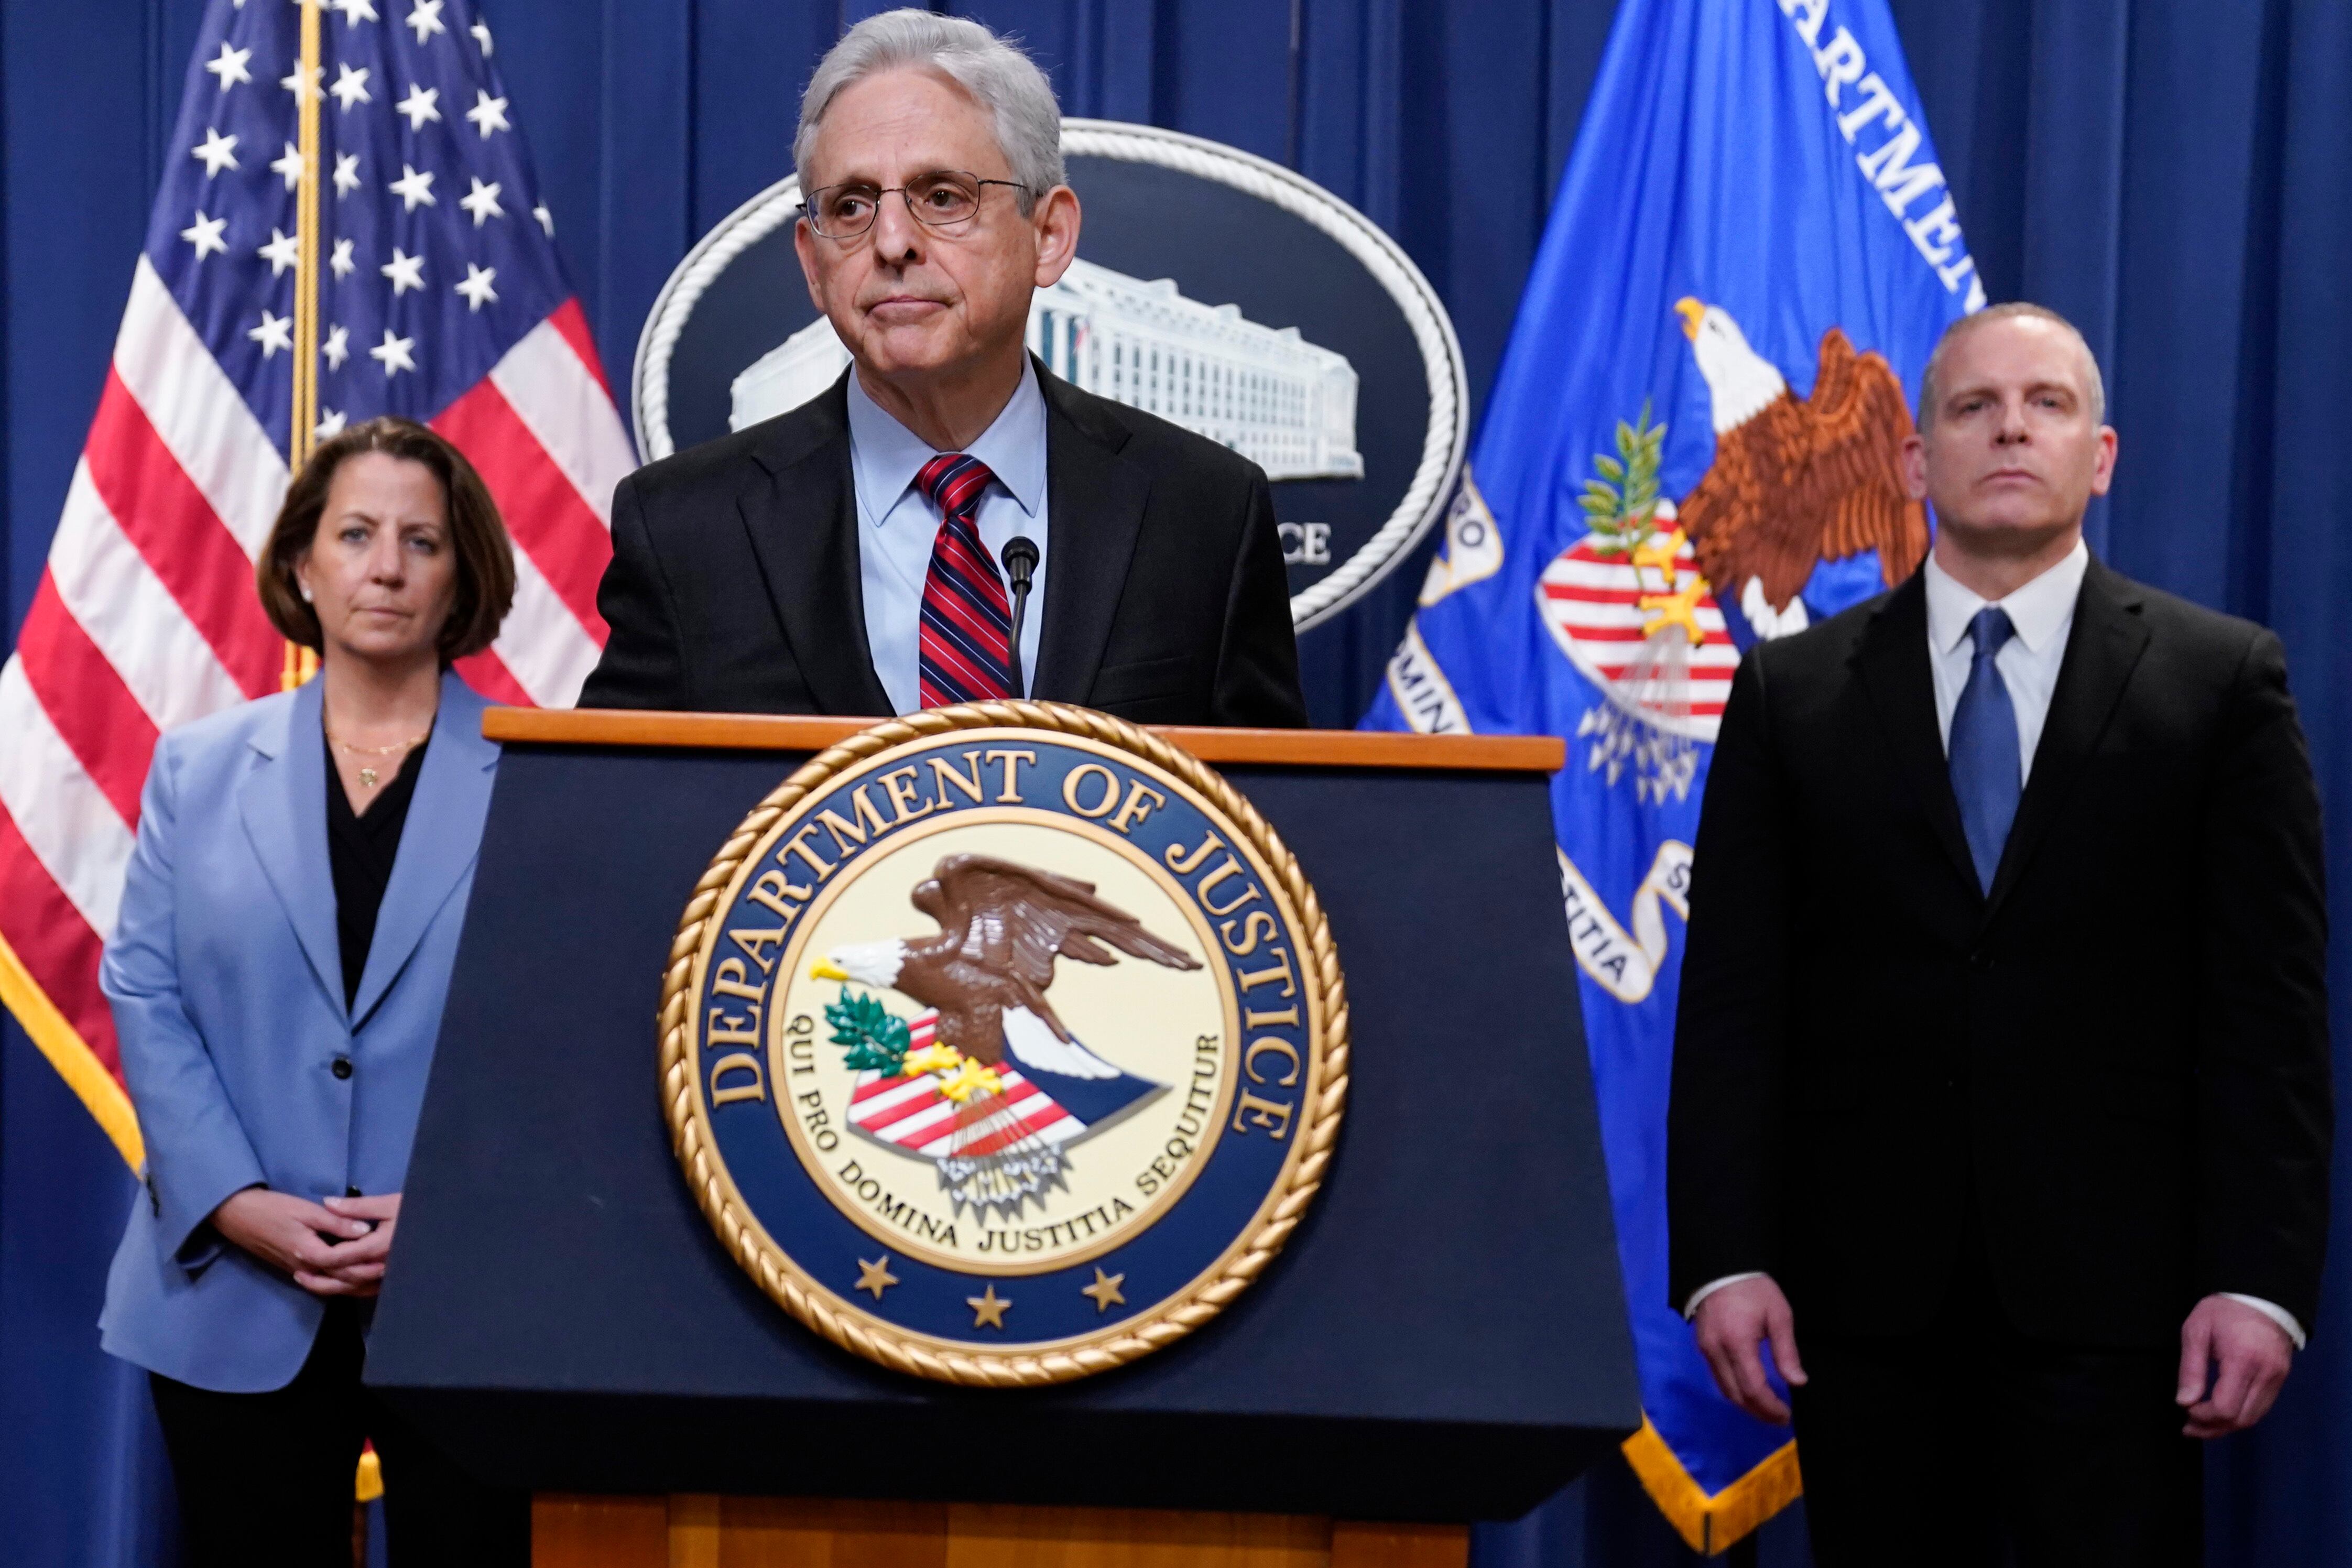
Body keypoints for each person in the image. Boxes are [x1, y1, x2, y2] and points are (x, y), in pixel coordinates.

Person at [1667, 304, 2329, 1565]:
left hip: (2126, 1312)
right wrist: (1724, 1259)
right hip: (1859, 1308)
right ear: (1915, 462)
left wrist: (2259, 1278)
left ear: (2104, 453)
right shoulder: (1790, 693)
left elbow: (2271, 1017)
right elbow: (1734, 1005)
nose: (2011, 427)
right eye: (1974, 407)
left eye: (2047, 403)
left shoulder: (2220, 680)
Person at [580, 10, 1307, 726]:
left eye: (942, 197)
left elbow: (1264, 830)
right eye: (853, 205)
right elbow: (617, 826)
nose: (892, 241)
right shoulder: (687, 530)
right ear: (812, 260)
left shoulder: (1204, 514)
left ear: (1048, 234)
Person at [97, 418, 528, 1565]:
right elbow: (144, 986)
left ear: (461, 577)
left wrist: (450, 1208)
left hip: (469, 1297)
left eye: (421, 541)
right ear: (301, 563)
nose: (386, 566)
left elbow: (556, 1031)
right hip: (234, 1291)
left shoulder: (543, 773)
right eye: (355, 533)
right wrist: (235, 1199)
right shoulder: (196, 769)